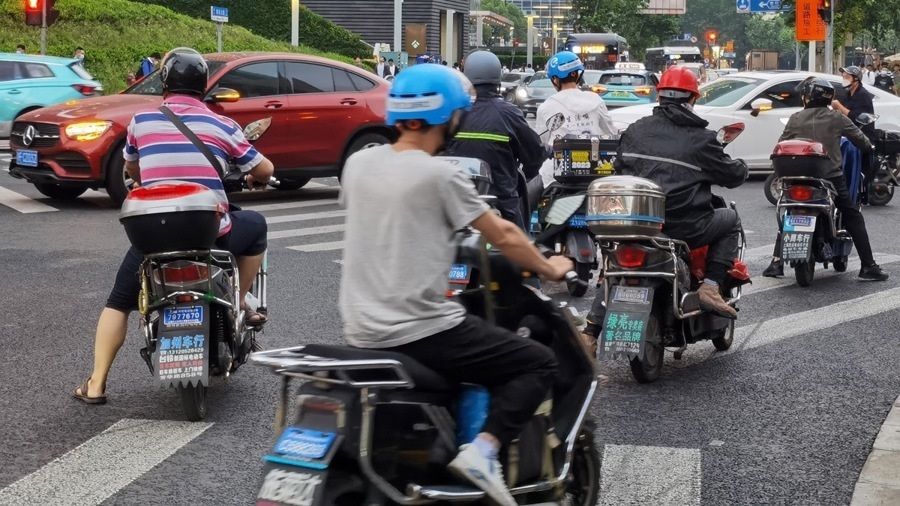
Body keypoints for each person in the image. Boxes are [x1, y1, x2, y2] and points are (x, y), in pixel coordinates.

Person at [339, 63, 571, 506]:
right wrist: (550, 266)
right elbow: (502, 235)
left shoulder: (359, 164)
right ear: (451, 117)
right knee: (537, 362)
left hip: (358, 330)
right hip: (422, 330)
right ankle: (483, 453)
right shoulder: (440, 176)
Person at [72, 48, 275, 405]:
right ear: (204, 87)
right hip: (211, 233)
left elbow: (132, 170)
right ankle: (240, 301)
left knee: (119, 303)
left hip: (152, 237)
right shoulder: (223, 125)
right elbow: (265, 171)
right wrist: (251, 175)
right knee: (256, 226)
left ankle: (96, 384)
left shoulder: (141, 122)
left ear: (164, 83)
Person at [584, 65, 748, 344]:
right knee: (731, 221)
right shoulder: (702, 139)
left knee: (612, 266)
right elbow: (732, 176)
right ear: (693, 99)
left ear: (659, 98)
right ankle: (710, 287)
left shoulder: (635, 130)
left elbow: (619, 167)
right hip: (685, 226)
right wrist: (741, 167)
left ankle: (589, 335)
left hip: (635, 224)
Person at [761, 78, 887, 281]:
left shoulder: (795, 118)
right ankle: (868, 266)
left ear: (807, 97)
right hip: (829, 178)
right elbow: (862, 142)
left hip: (795, 178)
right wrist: (868, 147)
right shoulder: (836, 118)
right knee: (852, 215)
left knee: (789, 212)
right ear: (829, 98)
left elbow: (781, 144)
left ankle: (776, 262)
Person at [447, 50, 546, 232]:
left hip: (455, 203)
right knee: (519, 251)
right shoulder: (509, 113)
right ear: (498, 77)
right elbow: (534, 155)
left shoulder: (452, 113)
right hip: (502, 205)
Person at [535, 51, 617, 188]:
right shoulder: (595, 100)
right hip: (595, 172)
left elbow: (541, 145)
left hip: (555, 175)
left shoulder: (546, 107)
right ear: (578, 75)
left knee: (525, 202)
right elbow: (611, 132)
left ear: (555, 79)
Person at [832, 66, 878, 183]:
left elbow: (856, 117)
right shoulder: (848, 94)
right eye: (843, 77)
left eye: (847, 77)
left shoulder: (862, 95)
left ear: (856, 79)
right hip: (848, 134)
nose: (844, 79)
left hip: (861, 135)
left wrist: (839, 107)